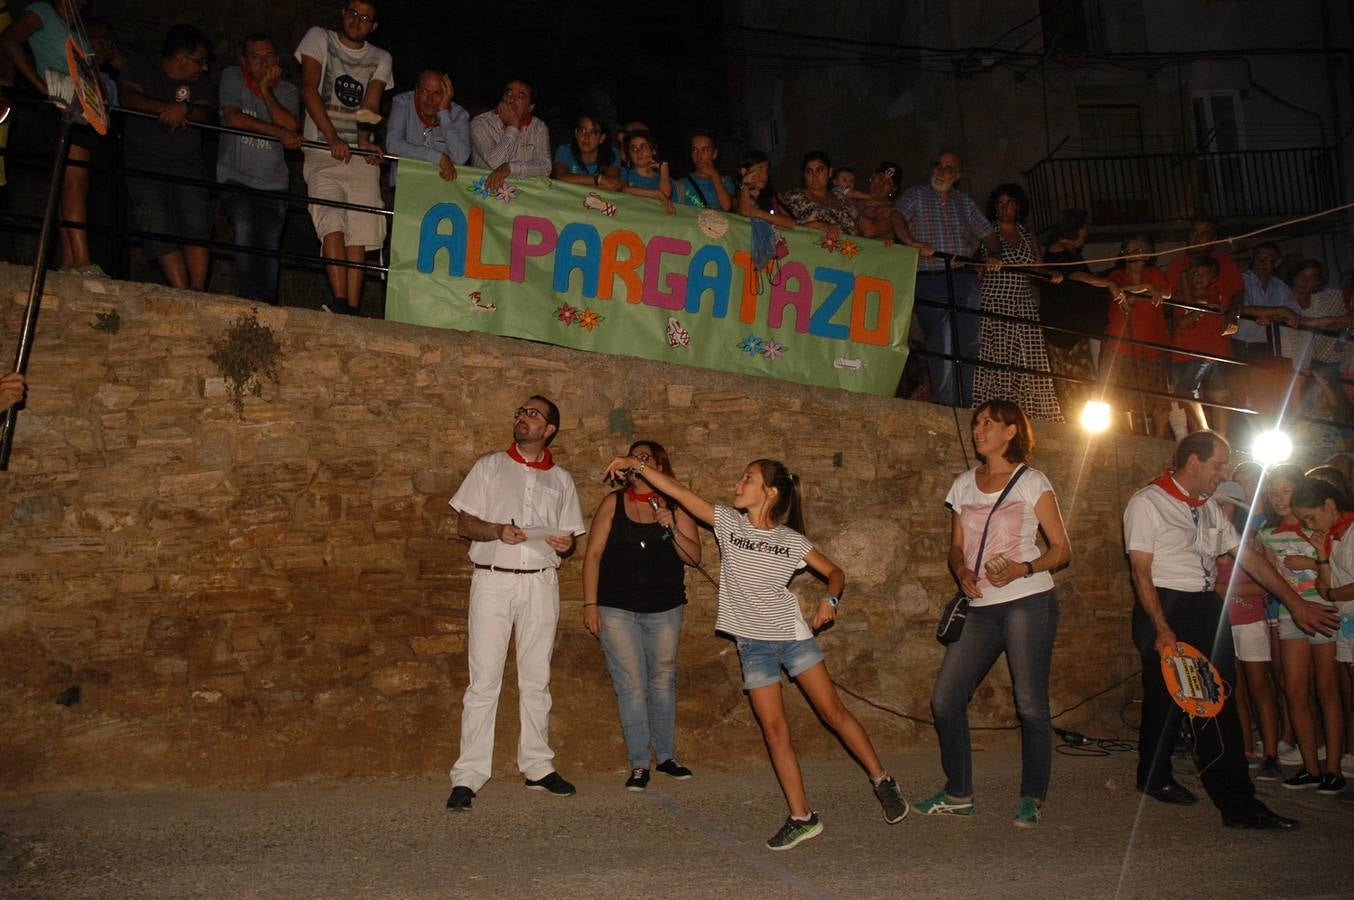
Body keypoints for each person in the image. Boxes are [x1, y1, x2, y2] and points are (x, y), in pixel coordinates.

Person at [600, 454, 909, 850]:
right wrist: (639, 466)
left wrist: (830, 600)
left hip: (793, 637)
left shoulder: (791, 540)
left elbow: (836, 572)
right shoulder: (729, 523)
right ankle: (802, 817)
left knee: (833, 712)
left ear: (770, 492)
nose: (738, 484)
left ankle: (882, 779)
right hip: (753, 645)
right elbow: (679, 492)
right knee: (775, 730)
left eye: (747, 479)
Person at [1123, 430, 1337, 829]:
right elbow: (1140, 571)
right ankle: (1238, 805)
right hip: (1165, 605)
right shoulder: (1147, 502)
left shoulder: (1207, 508)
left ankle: (1155, 776)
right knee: (1192, 699)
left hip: (1205, 606)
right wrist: (1163, 629)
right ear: (1194, 461)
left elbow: (1249, 560)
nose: (1224, 473)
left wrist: (1295, 602)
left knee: (1209, 695)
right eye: (1219, 465)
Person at [918, 400, 1071, 827]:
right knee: (945, 698)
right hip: (981, 606)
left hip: (1028, 600)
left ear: (1011, 431)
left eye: (988, 423)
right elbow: (955, 547)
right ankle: (958, 793)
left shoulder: (1032, 481)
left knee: (1030, 703)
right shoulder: (963, 485)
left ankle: (1032, 796)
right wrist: (962, 571)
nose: (978, 430)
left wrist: (1024, 568)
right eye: (976, 423)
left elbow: (1062, 549)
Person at [445, 395, 586, 812]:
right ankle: (468, 776)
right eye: (521, 412)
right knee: (483, 680)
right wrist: (496, 531)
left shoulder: (561, 480)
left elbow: (570, 539)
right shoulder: (489, 466)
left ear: (549, 429)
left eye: (532, 414)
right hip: (493, 581)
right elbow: (463, 524)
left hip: (540, 583)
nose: (523, 417)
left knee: (536, 678)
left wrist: (564, 545)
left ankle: (538, 766)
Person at [582, 440, 702, 790]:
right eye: (633, 457)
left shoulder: (677, 504)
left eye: (644, 457)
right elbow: (593, 555)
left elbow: (694, 558)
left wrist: (671, 526)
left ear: (659, 467)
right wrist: (590, 604)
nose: (636, 462)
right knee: (631, 686)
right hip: (616, 608)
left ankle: (666, 757)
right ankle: (639, 763)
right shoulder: (613, 503)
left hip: (664, 609)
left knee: (662, 682)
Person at [296, 0, 390, 316]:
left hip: (357, 155)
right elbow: (309, 89)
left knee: (359, 230)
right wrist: (332, 137)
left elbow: (371, 104)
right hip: (322, 149)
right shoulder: (319, 37)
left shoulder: (381, 58)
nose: (357, 20)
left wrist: (363, 142)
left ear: (373, 26)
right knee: (331, 222)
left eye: (365, 17)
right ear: (343, 14)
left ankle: (351, 307)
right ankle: (338, 300)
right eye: (353, 13)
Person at [1257, 467, 1346, 792]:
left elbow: (1338, 568)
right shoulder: (1267, 533)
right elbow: (1271, 578)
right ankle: (1310, 767)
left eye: (1285, 491)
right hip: (1289, 614)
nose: (1278, 498)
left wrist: (1310, 563)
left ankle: (1333, 769)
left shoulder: (1320, 524)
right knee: (1294, 690)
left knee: (1326, 689)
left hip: (1325, 610)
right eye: (1272, 492)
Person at [892, 151, 1003, 408]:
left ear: (957, 176)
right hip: (930, 276)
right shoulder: (916, 195)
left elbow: (988, 233)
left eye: (948, 168)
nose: (941, 171)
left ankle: (964, 404)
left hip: (963, 277)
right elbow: (896, 217)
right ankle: (945, 404)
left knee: (968, 342)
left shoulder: (964, 203)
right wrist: (911, 242)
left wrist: (994, 254)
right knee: (940, 337)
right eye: (938, 166)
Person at [0, 0, 101, 274]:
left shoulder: (78, 33)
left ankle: (69, 260)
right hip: (62, 105)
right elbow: (9, 38)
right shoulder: (43, 12)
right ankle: (83, 260)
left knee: (72, 182)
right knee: (74, 180)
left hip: (81, 109)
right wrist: (41, 85)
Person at [118, 24, 216, 291]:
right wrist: (167, 109)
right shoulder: (141, 66)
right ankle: (181, 291)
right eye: (200, 61)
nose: (205, 67)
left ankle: (198, 292)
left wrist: (185, 109)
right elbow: (129, 97)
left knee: (197, 221)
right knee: (155, 222)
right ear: (181, 58)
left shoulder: (200, 82)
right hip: (144, 160)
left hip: (187, 161)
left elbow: (208, 114)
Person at [216, 33, 301, 305]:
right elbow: (234, 118)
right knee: (244, 231)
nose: (263, 63)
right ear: (244, 61)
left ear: (277, 60)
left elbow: (291, 125)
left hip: (273, 184)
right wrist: (277, 132)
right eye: (255, 57)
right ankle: (248, 305)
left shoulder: (287, 91)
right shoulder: (232, 77)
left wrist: (266, 90)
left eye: (269, 56)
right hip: (236, 177)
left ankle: (265, 308)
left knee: (269, 245)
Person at [1211, 478, 1283, 781]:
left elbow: (1264, 587)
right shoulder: (1210, 543)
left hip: (1251, 622)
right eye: (1215, 504)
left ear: (1238, 510)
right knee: (1233, 689)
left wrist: (1220, 587)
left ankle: (1271, 754)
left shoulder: (1251, 542)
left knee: (1259, 687)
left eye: (1224, 505)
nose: (1218, 509)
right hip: (1222, 625)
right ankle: (1245, 748)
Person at [971, 184, 1062, 422]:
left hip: (1022, 303)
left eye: (1009, 202)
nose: (1004, 208)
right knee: (997, 357)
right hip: (994, 302)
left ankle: (1030, 413)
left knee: (1028, 358)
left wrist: (1051, 275)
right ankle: (994, 413)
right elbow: (972, 261)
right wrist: (984, 263)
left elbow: (1038, 267)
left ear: (1018, 206)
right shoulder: (986, 232)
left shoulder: (1026, 233)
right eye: (1000, 203)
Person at [1297, 475, 1354, 784]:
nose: (1309, 525)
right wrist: (1320, 554)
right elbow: (1324, 587)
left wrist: (1332, 594)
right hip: (1347, 621)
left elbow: (1331, 591)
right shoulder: (1334, 537)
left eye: (1310, 517)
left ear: (1329, 505)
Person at [1104, 235, 1172, 437]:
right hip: (1121, 343)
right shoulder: (1116, 275)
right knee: (1123, 397)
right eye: (1130, 250)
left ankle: (1159, 440)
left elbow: (1166, 293)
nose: (1135, 254)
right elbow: (1117, 290)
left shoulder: (1155, 273)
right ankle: (1131, 439)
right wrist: (1147, 288)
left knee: (1159, 395)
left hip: (1151, 342)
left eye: (1140, 249)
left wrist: (1142, 291)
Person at [1169, 254, 1240, 436]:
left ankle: (1219, 437)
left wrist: (1226, 315)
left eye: (1203, 274)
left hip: (1211, 354)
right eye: (1194, 273)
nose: (1198, 277)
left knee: (1218, 396)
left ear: (1214, 278)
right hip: (1183, 352)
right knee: (1186, 394)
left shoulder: (1220, 297)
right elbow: (1182, 322)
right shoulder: (1179, 296)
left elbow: (1230, 322)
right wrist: (1202, 309)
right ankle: (1202, 435)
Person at [386, 69, 469, 184]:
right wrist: (438, 157)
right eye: (425, 91)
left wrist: (444, 115)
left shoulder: (459, 115)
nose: (429, 100)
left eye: (436, 93)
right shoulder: (403, 102)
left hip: (441, 187)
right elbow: (392, 145)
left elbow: (461, 158)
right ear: (416, 90)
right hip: (404, 185)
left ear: (447, 95)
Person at [470, 78, 550, 191]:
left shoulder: (538, 127)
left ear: (530, 107)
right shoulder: (481, 123)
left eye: (520, 97)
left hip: (523, 195)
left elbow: (545, 166)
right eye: (508, 94)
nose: (511, 99)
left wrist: (511, 168)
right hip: (485, 193)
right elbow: (495, 162)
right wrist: (512, 126)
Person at [779, 150, 859, 239]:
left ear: (830, 172)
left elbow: (858, 230)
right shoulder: (795, 197)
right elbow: (787, 228)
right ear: (804, 175)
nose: (814, 176)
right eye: (809, 172)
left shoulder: (841, 198)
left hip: (850, 246)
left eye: (819, 170)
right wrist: (817, 225)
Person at [551, 112, 621, 190]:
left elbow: (611, 184)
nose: (586, 137)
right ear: (576, 133)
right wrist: (598, 180)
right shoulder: (565, 150)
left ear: (602, 138)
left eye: (593, 132)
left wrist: (573, 180)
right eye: (582, 130)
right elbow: (560, 178)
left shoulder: (612, 154)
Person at [671, 131, 733, 211]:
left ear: (714, 153)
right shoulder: (680, 185)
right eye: (694, 150)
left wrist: (714, 175)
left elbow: (727, 206)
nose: (699, 156)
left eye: (704, 150)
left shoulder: (725, 182)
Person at [735, 150, 794, 228]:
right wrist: (744, 185)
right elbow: (745, 212)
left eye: (766, 171)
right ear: (744, 171)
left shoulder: (771, 196)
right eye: (760, 170)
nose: (765, 176)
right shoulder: (736, 196)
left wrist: (758, 213)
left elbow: (791, 223)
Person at [618, 129, 672, 213]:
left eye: (643, 147)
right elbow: (622, 189)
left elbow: (665, 195)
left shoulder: (663, 178)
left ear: (653, 151)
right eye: (634, 149)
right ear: (630, 155)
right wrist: (655, 193)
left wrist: (664, 167)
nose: (639, 152)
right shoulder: (625, 173)